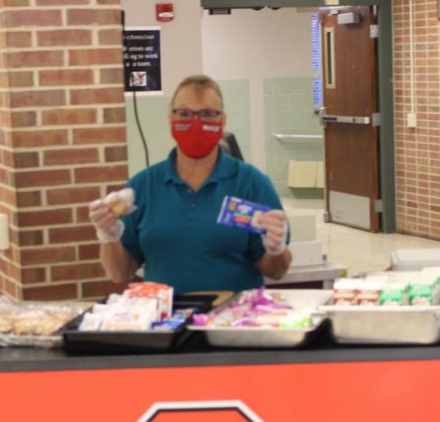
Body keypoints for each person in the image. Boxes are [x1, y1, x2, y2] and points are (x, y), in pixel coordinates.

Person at [89, 75, 292, 293]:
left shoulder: (251, 183)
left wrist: (275, 249)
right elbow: (119, 273)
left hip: (235, 321)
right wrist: (109, 236)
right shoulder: (143, 186)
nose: (196, 122)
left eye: (207, 113)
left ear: (222, 121)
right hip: (166, 322)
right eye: (184, 113)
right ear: (170, 119)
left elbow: (276, 272)